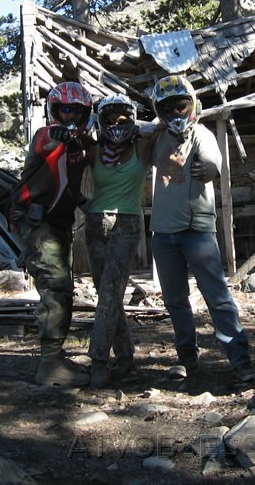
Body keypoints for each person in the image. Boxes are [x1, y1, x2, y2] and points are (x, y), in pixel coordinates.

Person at [149, 74, 255, 383]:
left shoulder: (202, 133)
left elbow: (213, 163)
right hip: (164, 232)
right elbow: (131, 140)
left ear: (193, 105)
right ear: (158, 111)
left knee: (218, 297)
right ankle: (187, 359)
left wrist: (205, 168)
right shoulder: (157, 137)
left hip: (197, 229)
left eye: (181, 106)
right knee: (175, 301)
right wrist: (150, 127)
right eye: (167, 110)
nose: (176, 115)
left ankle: (240, 361)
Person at [10, 81, 95, 387]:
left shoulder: (82, 146)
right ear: (54, 112)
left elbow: (67, 185)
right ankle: (49, 365)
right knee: (56, 287)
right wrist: (58, 132)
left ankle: (55, 357)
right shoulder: (46, 135)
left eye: (76, 111)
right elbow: (45, 142)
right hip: (37, 223)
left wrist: (85, 203)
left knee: (62, 288)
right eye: (64, 110)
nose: (70, 116)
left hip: (59, 224)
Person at [85, 93, 158, 388]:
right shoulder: (94, 149)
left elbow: (164, 123)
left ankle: (98, 362)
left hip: (127, 223)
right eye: (110, 118)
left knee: (110, 294)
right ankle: (125, 356)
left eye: (123, 118)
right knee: (106, 293)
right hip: (94, 224)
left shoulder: (141, 144)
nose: (117, 124)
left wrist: (142, 124)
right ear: (100, 121)